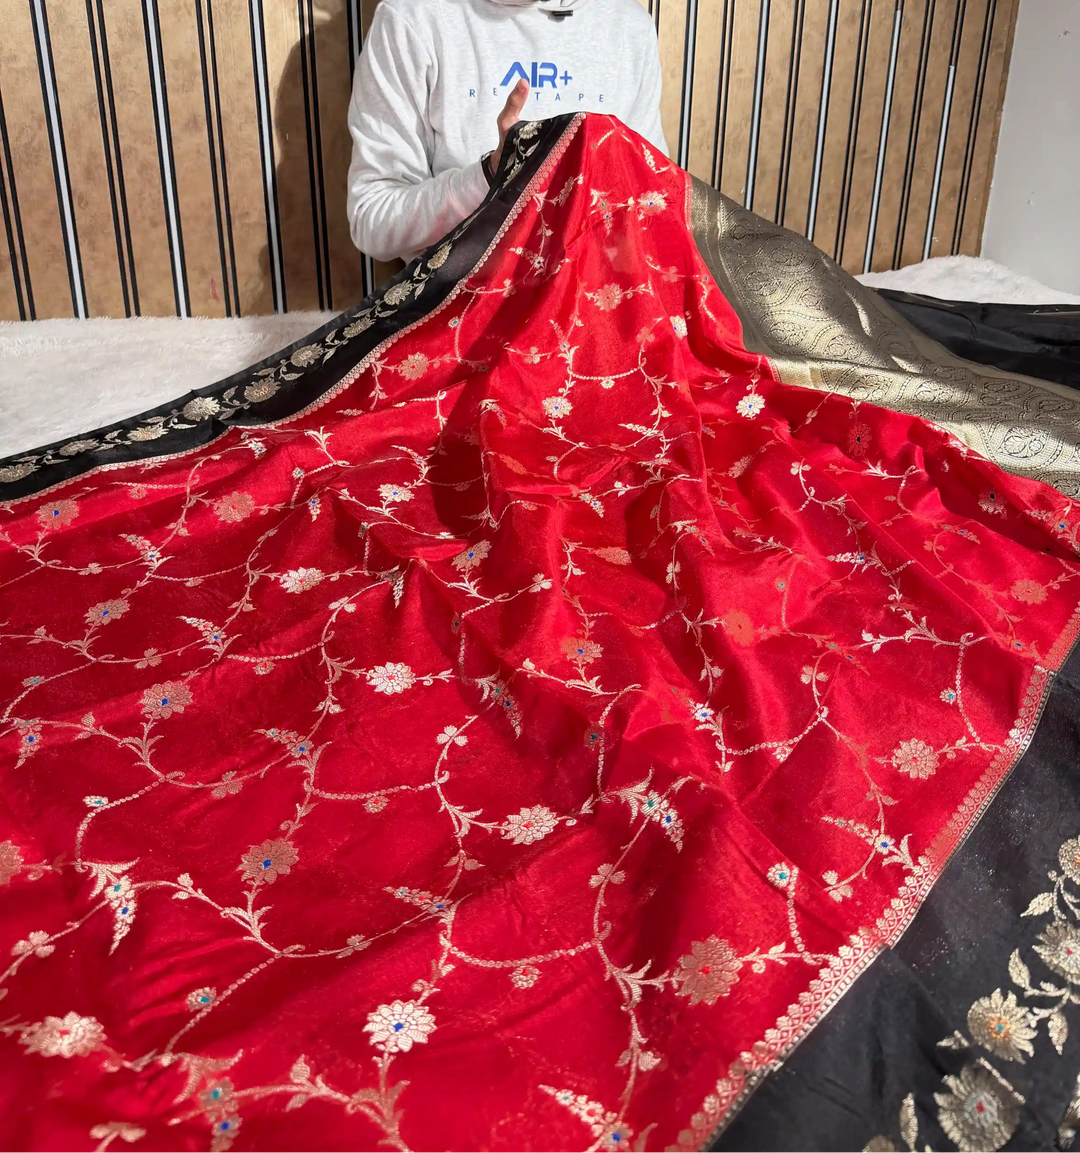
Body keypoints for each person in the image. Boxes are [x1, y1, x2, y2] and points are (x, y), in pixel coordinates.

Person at [346, 0, 668, 264]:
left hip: (597, 301)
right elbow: (372, 218)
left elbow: (654, 203)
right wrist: (490, 176)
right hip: (462, 311)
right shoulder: (413, 18)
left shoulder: (629, 25)